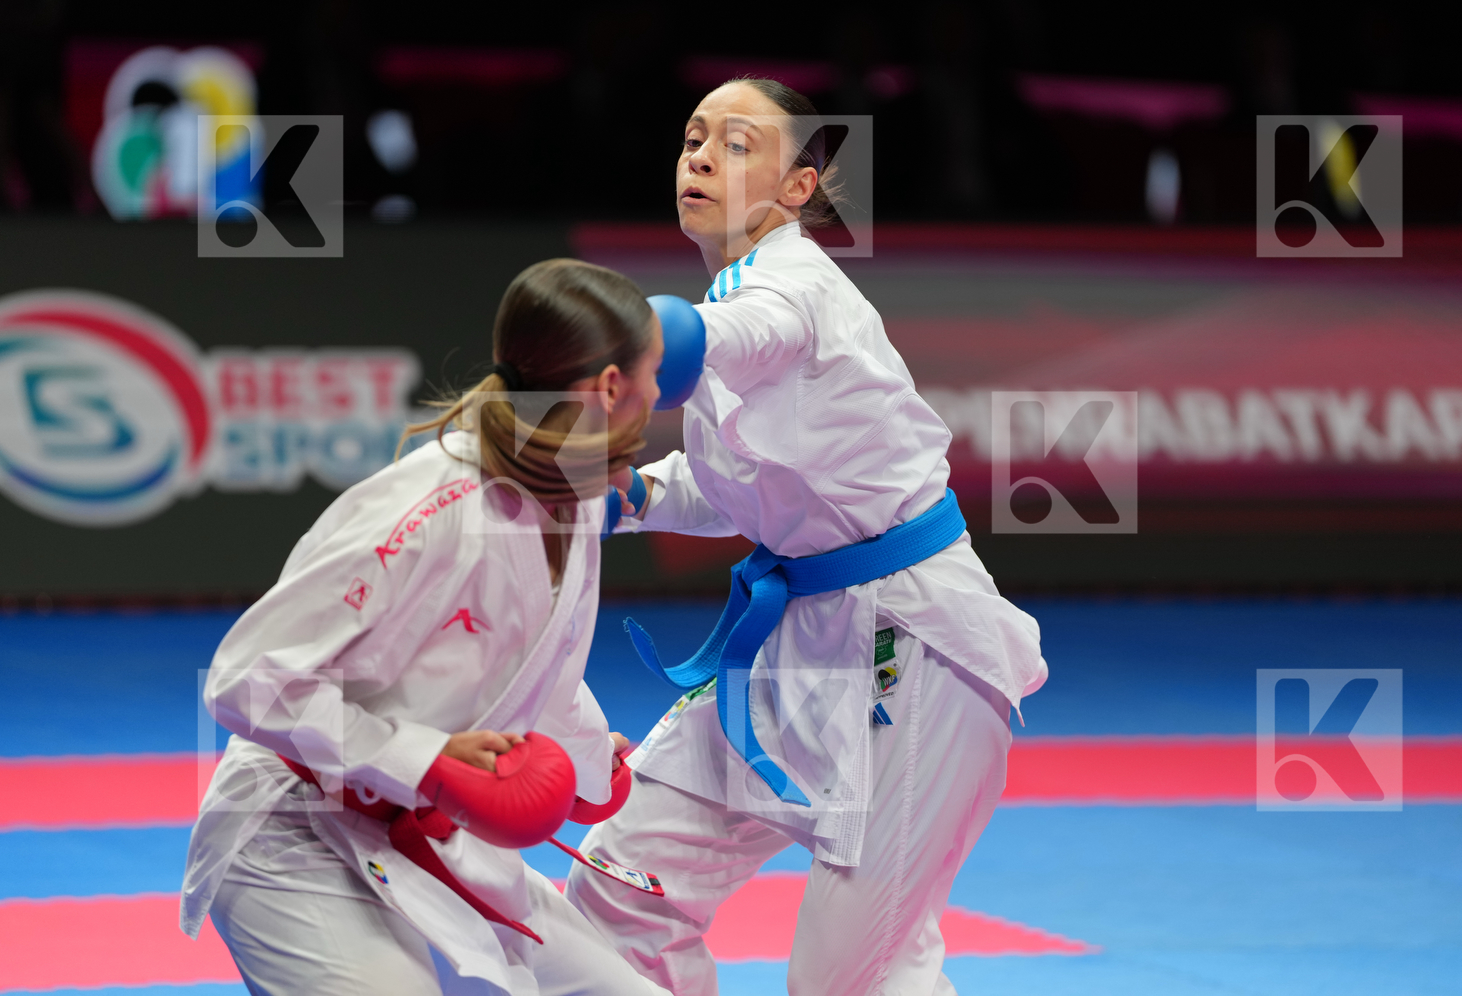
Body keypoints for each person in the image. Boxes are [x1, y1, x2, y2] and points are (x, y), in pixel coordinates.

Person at [565, 78, 1048, 995]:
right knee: (623, 885)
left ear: (798, 187)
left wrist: (638, 342)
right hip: (797, 645)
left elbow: (732, 335)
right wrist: (630, 495)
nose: (701, 156)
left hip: (916, 649)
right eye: (693, 137)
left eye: (736, 143)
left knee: (849, 980)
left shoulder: (792, 288)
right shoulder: (737, 289)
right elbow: (746, 485)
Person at [181, 259, 671, 996]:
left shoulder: (576, 493)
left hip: (433, 832)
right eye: (653, 375)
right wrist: (424, 757)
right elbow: (245, 681)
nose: (660, 395)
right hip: (297, 838)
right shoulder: (426, 508)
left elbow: (541, 666)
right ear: (608, 387)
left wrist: (587, 767)